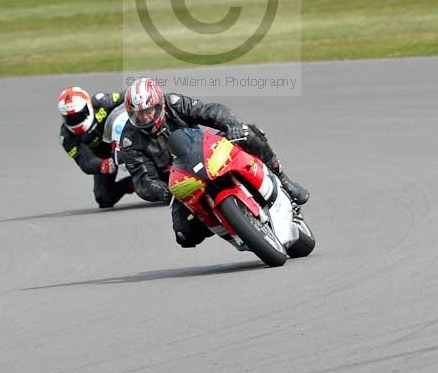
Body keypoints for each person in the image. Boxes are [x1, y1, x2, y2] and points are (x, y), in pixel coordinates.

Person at [114, 77, 309, 248]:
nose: (145, 117)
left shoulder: (174, 103)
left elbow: (209, 111)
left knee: (248, 133)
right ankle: (228, 225)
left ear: (160, 105)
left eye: (149, 111)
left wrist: (230, 125)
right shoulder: (129, 141)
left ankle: (284, 181)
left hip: (206, 153)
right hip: (181, 184)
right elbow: (143, 181)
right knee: (185, 235)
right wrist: (164, 191)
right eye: (139, 114)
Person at [58, 86, 134, 209]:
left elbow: (128, 96)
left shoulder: (101, 102)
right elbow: (84, 161)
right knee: (103, 198)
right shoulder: (67, 137)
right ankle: (134, 183)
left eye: (79, 115)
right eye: (70, 118)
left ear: (88, 106)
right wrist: (102, 165)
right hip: (104, 156)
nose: (75, 121)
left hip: (125, 138)